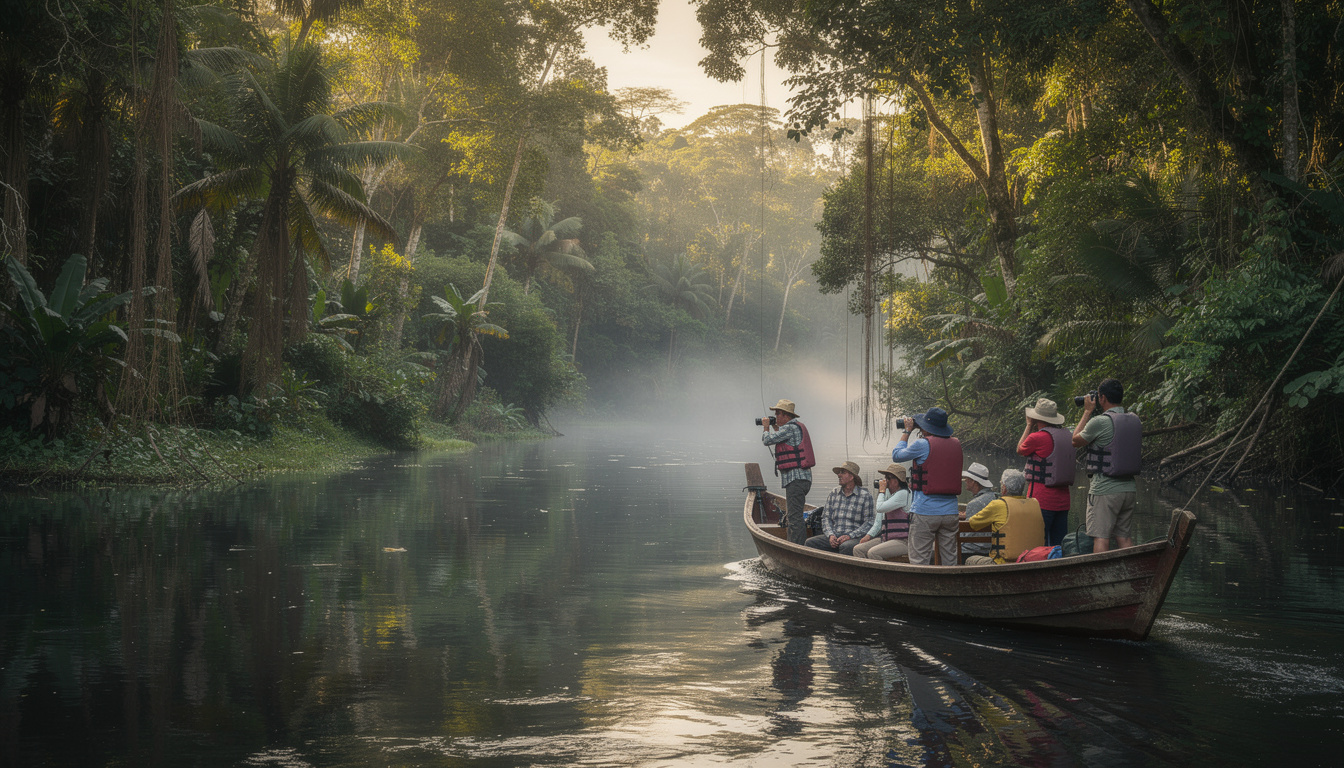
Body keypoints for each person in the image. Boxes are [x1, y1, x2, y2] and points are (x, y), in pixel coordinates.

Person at [1071, 379, 1140, 552]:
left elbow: (1075, 440)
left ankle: (1102, 577)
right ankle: (1130, 575)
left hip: (1105, 490)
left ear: (1102, 398)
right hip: (1129, 489)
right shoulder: (1134, 420)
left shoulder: (1100, 422)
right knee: (1124, 538)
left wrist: (1087, 411)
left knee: (1101, 538)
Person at [893, 407, 962, 566]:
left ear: (926, 428)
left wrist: (907, 431)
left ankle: (920, 589)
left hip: (925, 511)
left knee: (919, 561)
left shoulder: (923, 444)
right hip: (951, 512)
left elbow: (897, 455)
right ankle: (948, 588)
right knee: (950, 561)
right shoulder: (956, 444)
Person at [1017, 397, 1075, 547]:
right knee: (1058, 545)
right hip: (1063, 502)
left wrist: (1029, 425)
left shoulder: (1037, 437)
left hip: (1041, 501)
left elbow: (1020, 449)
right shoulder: (1068, 435)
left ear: (1037, 418)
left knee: (1037, 544)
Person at [761, 398, 816, 545]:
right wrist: (774, 426)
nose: (776, 416)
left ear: (786, 415)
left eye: (778, 413)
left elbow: (767, 440)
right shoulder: (794, 427)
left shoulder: (789, 427)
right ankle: (797, 545)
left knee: (794, 518)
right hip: (801, 479)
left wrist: (766, 428)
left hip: (795, 480)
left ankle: (797, 548)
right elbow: (783, 438)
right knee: (795, 516)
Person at [964, 469, 1043, 565]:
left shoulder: (998, 505)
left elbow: (972, 523)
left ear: (1004, 488)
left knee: (969, 560)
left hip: (1002, 563)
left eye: (1001, 484)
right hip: (1031, 560)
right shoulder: (1035, 503)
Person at [805, 461, 875, 555]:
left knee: (845, 546)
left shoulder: (865, 496)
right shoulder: (834, 493)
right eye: (839, 472)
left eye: (843, 472)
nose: (839, 475)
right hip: (835, 535)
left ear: (851, 477)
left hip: (854, 537)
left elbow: (869, 522)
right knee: (810, 543)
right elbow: (826, 517)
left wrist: (850, 536)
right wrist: (830, 535)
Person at [853, 463, 911, 561]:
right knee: (858, 549)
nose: (885, 481)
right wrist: (868, 536)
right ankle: (866, 575)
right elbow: (879, 520)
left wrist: (881, 491)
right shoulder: (890, 494)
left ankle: (880, 576)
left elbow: (879, 507)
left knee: (873, 553)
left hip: (903, 541)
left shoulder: (903, 493)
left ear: (896, 481)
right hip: (886, 538)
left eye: (888, 478)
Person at [958, 462, 997, 562]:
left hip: (971, 552)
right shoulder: (996, 498)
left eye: (968, 478)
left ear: (974, 482)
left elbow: (965, 537)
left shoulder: (974, 503)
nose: (965, 480)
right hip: (991, 548)